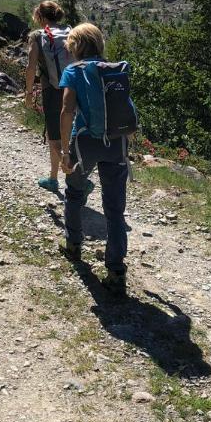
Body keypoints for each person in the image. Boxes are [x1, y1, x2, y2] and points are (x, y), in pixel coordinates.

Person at [59, 24, 131, 297]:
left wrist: (65, 150)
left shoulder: (73, 71)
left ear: (75, 45)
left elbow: (67, 110)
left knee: (75, 193)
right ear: (99, 43)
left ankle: (74, 245)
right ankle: (115, 271)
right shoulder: (116, 70)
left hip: (85, 141)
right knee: (114, 210)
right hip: (116, 144)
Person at [25, 0, 73, 192]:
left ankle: (74, 174)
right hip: (74, 89)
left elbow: (30, 67)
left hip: (52, 91)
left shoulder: (37, 36)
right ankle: (53, 177)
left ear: (41, 17)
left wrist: (28, 93)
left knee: (54, 137)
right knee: (70, 134)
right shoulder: (70, 32)